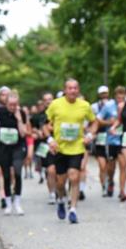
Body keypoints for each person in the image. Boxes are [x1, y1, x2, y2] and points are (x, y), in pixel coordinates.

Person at [45, 78, 98, 223]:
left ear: (78, 90)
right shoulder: (55, 105)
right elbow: (44, 124)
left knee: (74, 177)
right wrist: (50, 140)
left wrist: (90, 135)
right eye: (70, 88)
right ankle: (61, 200)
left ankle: (73, 209)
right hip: (60, 148)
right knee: (61, 182)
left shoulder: (85, 106)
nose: (73, 91)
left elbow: (94, 122)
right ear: (65, 90)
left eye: (75, 88)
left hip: (77, 147)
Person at [0, 91, 30, 215]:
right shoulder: (0, 111)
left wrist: (19, 120)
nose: (12, 107)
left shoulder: (21, 113)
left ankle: (17, 202)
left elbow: (23, 133)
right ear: (6, 104)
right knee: (6, 175)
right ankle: (8, 203)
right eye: (10, 105)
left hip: (18, 146)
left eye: (15, 105)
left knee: (17, 172)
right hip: (3, 147)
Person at [92, 85, 117, 197]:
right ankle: (103, 187)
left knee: (110, 165)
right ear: (99, 94)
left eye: (105, 93)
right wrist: (107, 123)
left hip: (111, 139)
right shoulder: (94, 107)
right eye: (102, 93)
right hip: (99, 138)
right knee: (102, 166)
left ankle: (110, 180)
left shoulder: (113, 104)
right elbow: (94, 121)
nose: (104, 95)